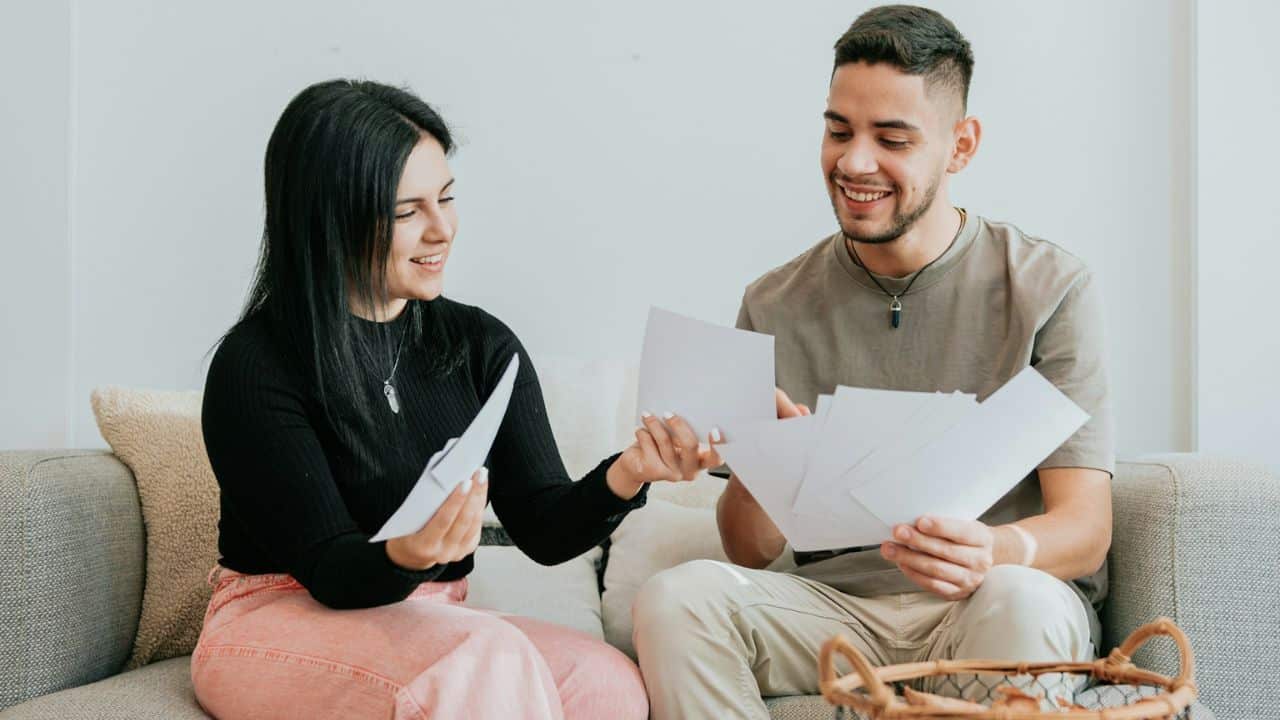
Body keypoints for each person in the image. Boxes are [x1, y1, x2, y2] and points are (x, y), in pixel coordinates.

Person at [632, 6, 1114, 717]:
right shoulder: (774, 302)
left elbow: (1085, 528)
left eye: (892, 138)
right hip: (834, 612)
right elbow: (748, 551)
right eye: (838, 131)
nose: (855, 162)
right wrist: (772, 462)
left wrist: (994, 549)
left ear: (961, 146)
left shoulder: (1047, 289)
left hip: (987, 597)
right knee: (676, 598)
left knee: (1022, 600)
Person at [192, 79, 719, 720]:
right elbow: (331, 572)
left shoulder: (479, 344)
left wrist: (631, 471)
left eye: (445, 198)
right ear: (329, 218)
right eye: (407, 211)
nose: (442, 230)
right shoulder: (256, 363)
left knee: (603, 683)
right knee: (482, 659)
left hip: (427, 624)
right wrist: (408, 553)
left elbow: (545, 528)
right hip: (276, 621)